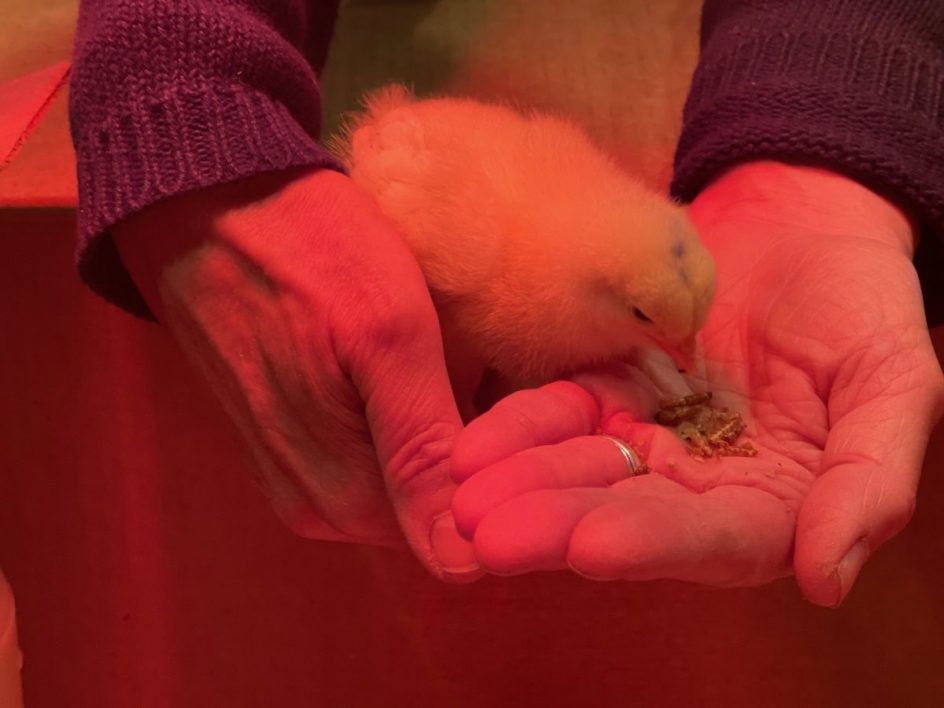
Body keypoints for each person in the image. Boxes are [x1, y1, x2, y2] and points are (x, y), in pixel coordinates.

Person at [69, 0, 944, 609]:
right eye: (656, 331)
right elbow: (397, 151)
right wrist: (185, 87)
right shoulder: (499, 250)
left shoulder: (600, 236)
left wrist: (831, 143)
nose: (682, 357)